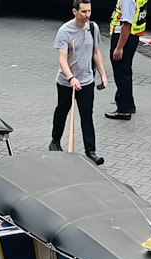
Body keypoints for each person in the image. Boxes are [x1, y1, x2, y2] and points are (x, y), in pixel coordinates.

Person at [49, 0, 109, 166]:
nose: (87, 15)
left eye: (89, 11)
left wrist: (103, 74)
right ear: (75, 11)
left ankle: (91, 151)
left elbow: (96, 52)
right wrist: (71, 78)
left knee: (87, 115)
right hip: (66, 82)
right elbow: (62, 59)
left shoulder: (93, 27)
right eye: (83, 12)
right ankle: (55, 141)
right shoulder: (65, 31)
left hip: (87, 81)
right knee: (62, 110)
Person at [105, 0, 149, 121]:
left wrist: (119, 47)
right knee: (125, 70)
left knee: (121, 73)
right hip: (133, 36)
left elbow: (126, 23)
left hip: (123, 37)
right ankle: (128, 104)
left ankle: (124, 109)